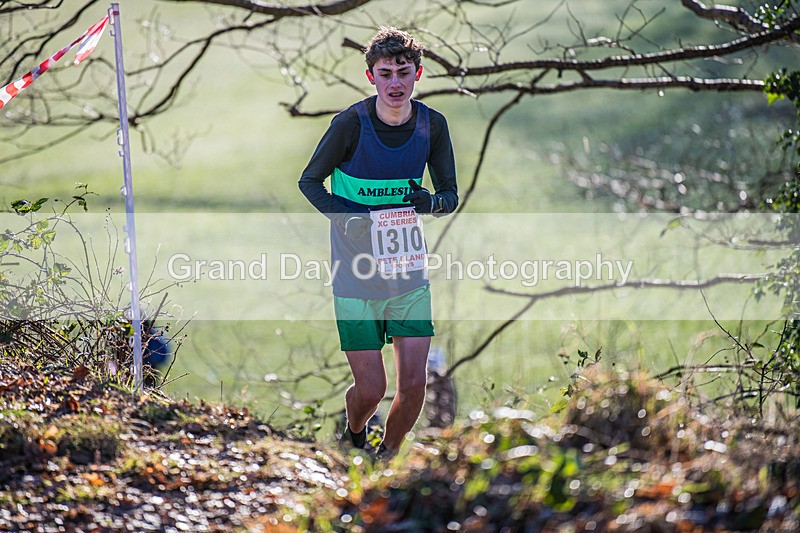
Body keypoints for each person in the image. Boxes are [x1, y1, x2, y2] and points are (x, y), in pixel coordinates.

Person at [298, 27, 458, 459]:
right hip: (355, 276)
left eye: (403, 73)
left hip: (408, 272)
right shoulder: (350, 124)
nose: (394, 83)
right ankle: (354, 434)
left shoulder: (432, 125)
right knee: (371, 389)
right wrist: (347, 219)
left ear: (417, 74)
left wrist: (430, 202)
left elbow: (450, 196)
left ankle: (385, 456)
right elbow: (309, 181)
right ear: (370, 77)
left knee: (414, 385)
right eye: (385, 74)